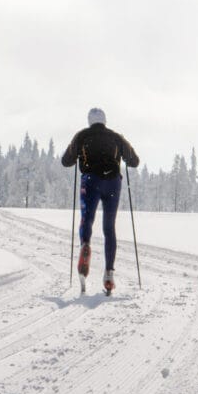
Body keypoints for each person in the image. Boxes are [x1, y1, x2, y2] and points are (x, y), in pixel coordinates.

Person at [61, 107, 139, 294]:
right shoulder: (116, 137)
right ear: (104, 120)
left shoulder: (81, 136)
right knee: (109, 227)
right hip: (112, 183)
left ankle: (85, 245)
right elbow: (134, 161)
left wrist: (79, 154)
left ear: (90, 121)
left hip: (91, 181)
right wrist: (123, 156)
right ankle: (109, 273)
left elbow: (66, 161)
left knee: (86, 219)